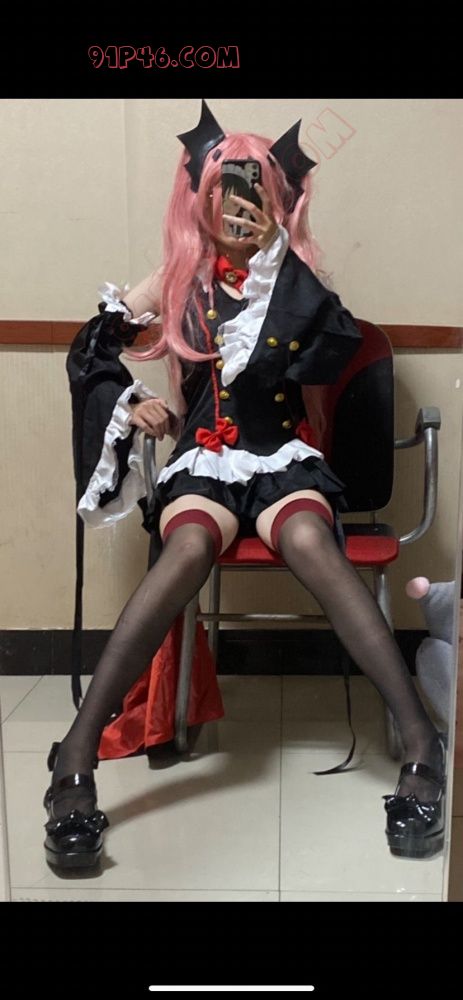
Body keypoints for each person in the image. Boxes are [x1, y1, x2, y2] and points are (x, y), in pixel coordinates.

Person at [43, 101, 446, 872]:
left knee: (309, 540)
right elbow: (89, 346)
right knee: (187, 548)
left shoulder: (294, 280)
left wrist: (280, 255)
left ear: (275, 201)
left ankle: (422, 746)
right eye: (225, 195)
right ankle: (74, 760)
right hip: (203, 461)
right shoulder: (175, 279)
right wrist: (131, 400)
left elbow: (331, 345)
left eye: (254, 195)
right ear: (199, 199)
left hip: (280, 457)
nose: (237, 210)